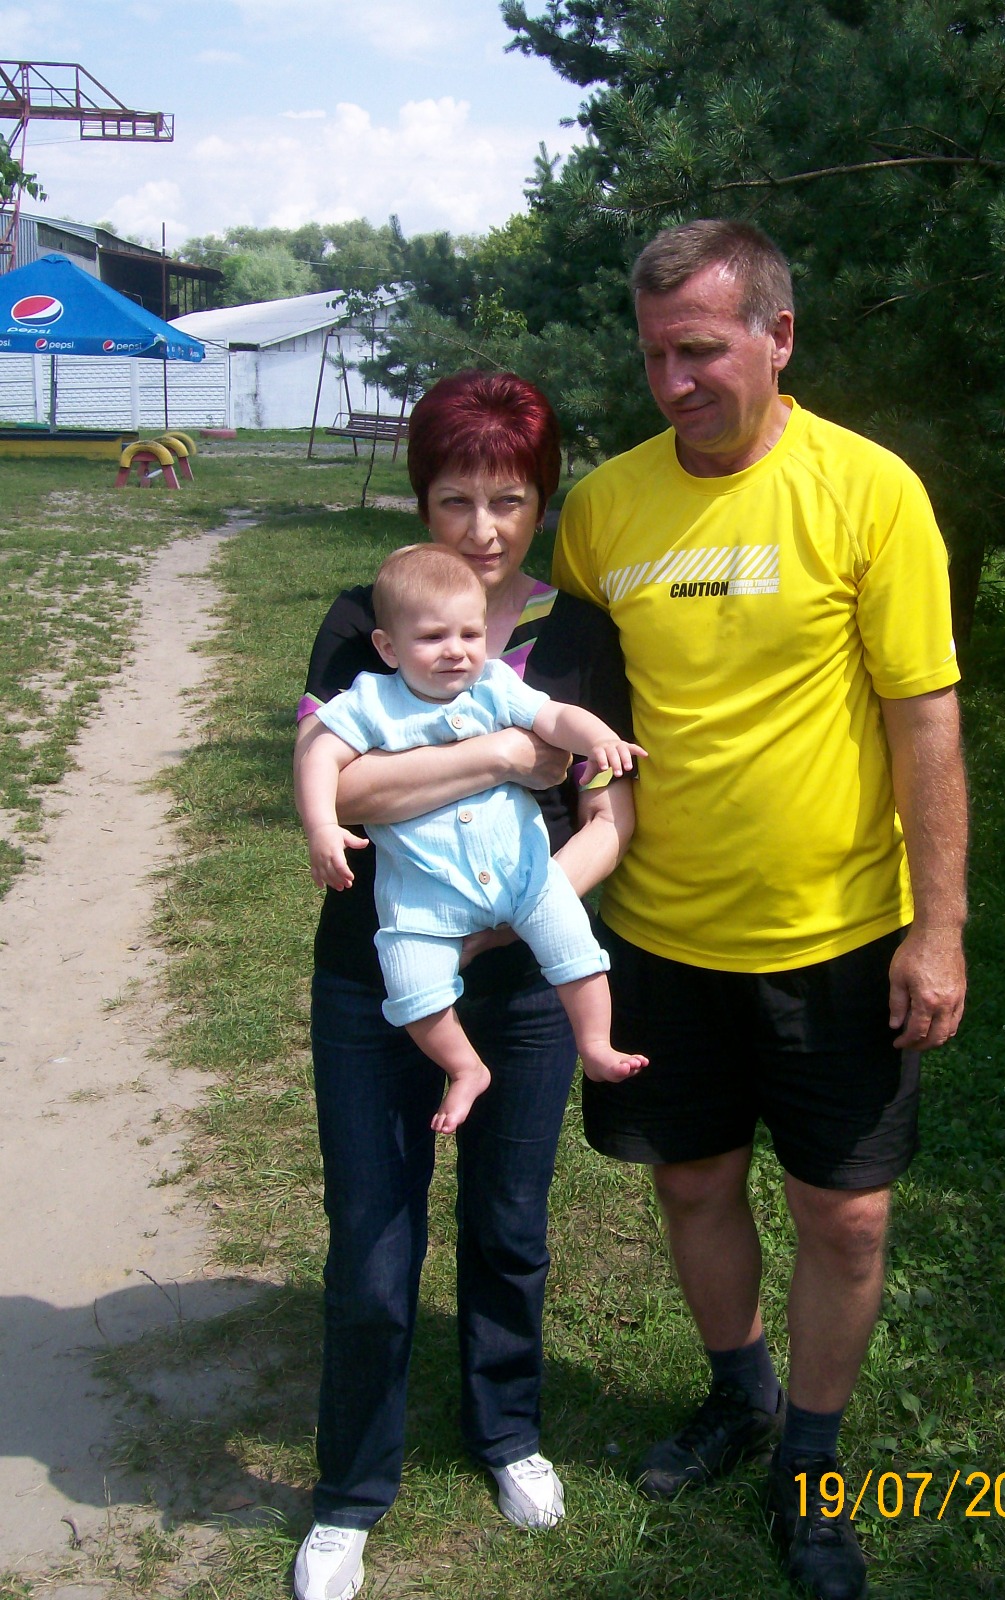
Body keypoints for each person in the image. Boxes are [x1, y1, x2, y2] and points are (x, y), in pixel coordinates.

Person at [549, 220, 968, 1600]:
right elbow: (575, 709)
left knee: (848, 1218)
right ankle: (740, 1391)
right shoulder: (604, 510)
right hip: (661, 933)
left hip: (838, 937)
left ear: (778, 337)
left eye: (701, 350)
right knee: (690, 1179)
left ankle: (815, 1457)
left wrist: (940, 927)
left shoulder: (870, 492)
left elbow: (924, 718)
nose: (674, 382)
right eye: (654, 355)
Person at [292, 371, 636, 1600]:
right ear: (420, 500)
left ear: (543, 501)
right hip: (377, 977)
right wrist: (498, 751)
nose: (483, 530)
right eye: (455, 499)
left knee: (509, 1223)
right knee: (373, 1240)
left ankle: (507, 1429)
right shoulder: (369, 617)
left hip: (526, 980)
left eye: (510, 500)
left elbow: (609, 817)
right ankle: (350, 1493)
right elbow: (344, 786)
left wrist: (514, 921)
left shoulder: (578, 635)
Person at [296, 543, 647, 1133]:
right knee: (410, 984)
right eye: (433, 637)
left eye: (470, 634)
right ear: (388, 647)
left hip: (524, 878)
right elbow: (319, 757)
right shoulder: (371, 701)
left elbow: (556, 717)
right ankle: (465, 1068)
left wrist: (598, 738)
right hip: (423, 901)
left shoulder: (495, 685)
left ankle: (595, 1045)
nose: (456, 650)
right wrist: (322, 827)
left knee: (576, 951)